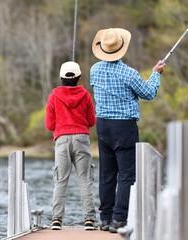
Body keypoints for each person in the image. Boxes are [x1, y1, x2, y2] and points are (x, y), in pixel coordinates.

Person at [89, 28, 166, 233]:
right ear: (122, 48)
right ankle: (118, 219)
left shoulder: (94, 69)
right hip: (124, 127)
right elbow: (149, 93)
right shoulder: (129, 73)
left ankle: (105, 219)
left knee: (107, 173)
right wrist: (155, 74)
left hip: (102, 125)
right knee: (126, 174)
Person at [44, 61, 97, 231]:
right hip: (81, 138)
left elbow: (49, 125)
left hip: (62, 140)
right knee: (85, 179)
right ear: (79, 77)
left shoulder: (53, 97)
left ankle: (57, 220)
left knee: (60, 180)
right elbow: (91, 121)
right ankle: (89, 220)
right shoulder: (86, 95)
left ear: (60, 78)